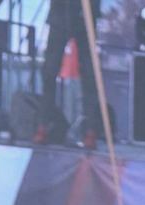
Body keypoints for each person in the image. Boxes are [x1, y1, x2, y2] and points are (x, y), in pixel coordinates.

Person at [39, 0, 103, 148]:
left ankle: (90, 130)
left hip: (85, 14)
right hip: (61, 11)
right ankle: (44, 125)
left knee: (89, 74)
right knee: (50, 70)